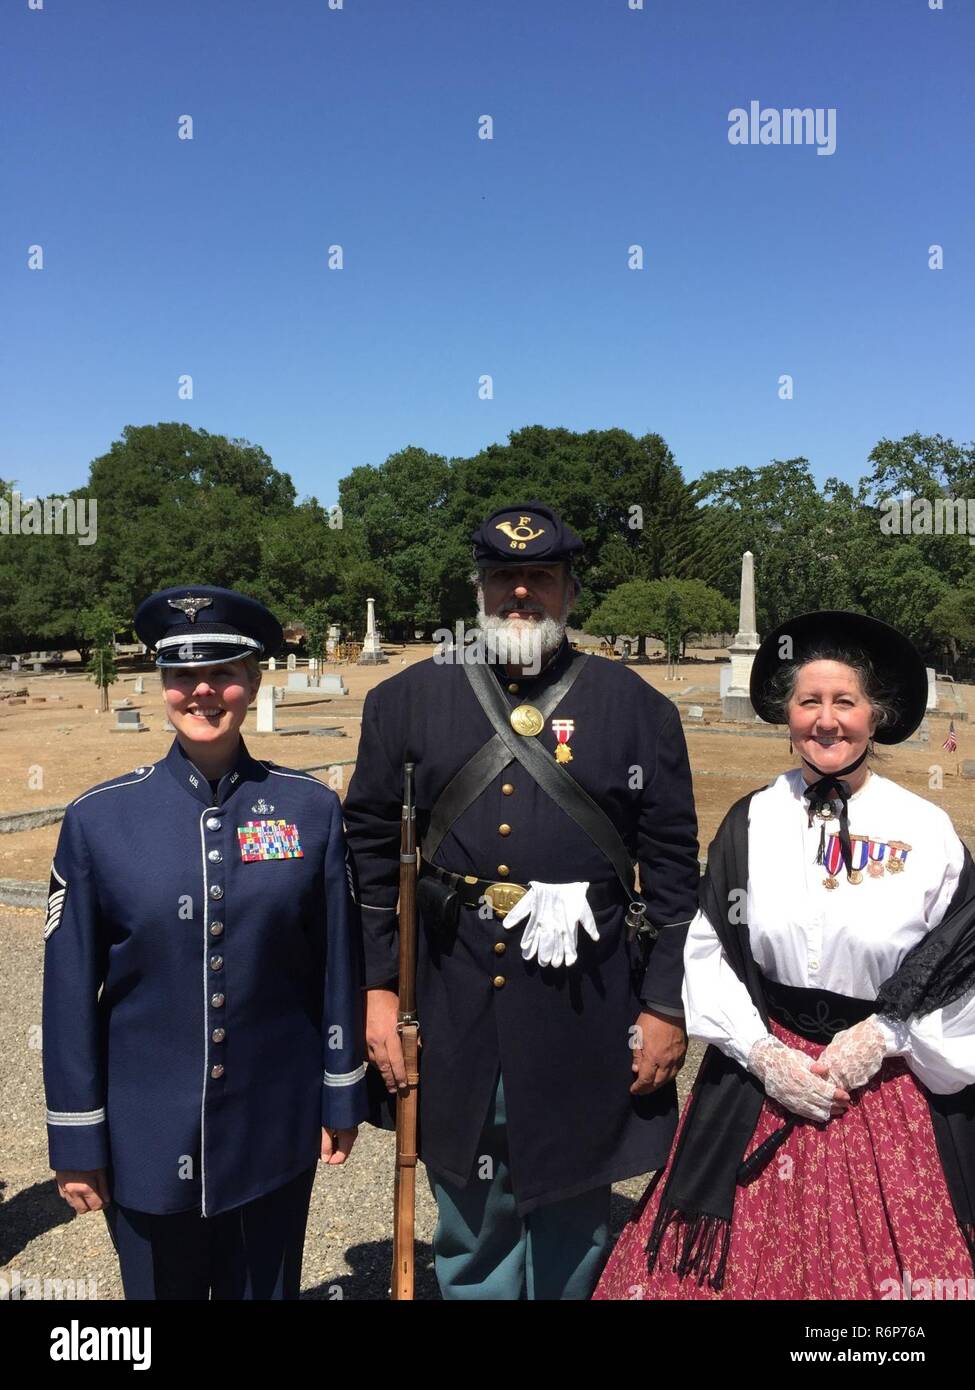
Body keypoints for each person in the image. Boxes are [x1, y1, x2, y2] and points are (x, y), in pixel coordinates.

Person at [342, 502, 700, 1299]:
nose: (521, 594)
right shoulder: (403, 701)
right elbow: (366, 860)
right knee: (466, 1209)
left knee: (576, 1199)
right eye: (505, 576)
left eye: (540, 577)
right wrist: (372, 988)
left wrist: (666, 1006)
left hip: (585, 996)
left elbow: (673, 870)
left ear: (570, 591)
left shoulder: (637, 709)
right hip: (445, 989)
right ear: (479, 587)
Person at [594, 609, 975, 1300]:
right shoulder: (749, 821)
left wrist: (883, 1033)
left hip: (884, 1087)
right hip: (760, 1077)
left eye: (844, 702)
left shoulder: (926, 833)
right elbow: (710, 950)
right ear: (786, 714)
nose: (825, 721)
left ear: (875, 715)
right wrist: (760, 1052)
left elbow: (959, 959)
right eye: (808, 702)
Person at [42, 586, 368, 1300]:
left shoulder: (308, 810)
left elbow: (337, 962)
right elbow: (67, 993)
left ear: (252, 681)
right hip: (144, 1128)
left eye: (221, 672)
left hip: (272, 1122)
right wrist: (75, 1137)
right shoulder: (101, 819)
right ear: (161, 686)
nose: (201, 691)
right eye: (181, 676)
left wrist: (341, 1093)